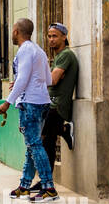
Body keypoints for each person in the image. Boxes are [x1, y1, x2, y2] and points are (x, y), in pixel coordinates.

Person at [0, 18, 57, 203]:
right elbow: (48, 80)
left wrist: (8, 102)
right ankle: (25, 186)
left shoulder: (24, 51)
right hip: (42, 102)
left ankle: (49, 188)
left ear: (16, 32)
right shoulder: (38, 51)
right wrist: (28, 82)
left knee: (35, 145)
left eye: (12, 30)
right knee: (32, 145)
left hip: (30, 103)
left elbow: (23, 79)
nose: (12, 34)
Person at [27, 22, 79, 191]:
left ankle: (46, 181)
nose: (51, 40)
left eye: (55, 36)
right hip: (50, 103)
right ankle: (63, 130)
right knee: (45, 139)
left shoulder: (66, 55)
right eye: (49, 36)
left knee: (45, 141)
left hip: (57, 105)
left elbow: (52, 80)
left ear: (64, 37)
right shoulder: (58, 57)